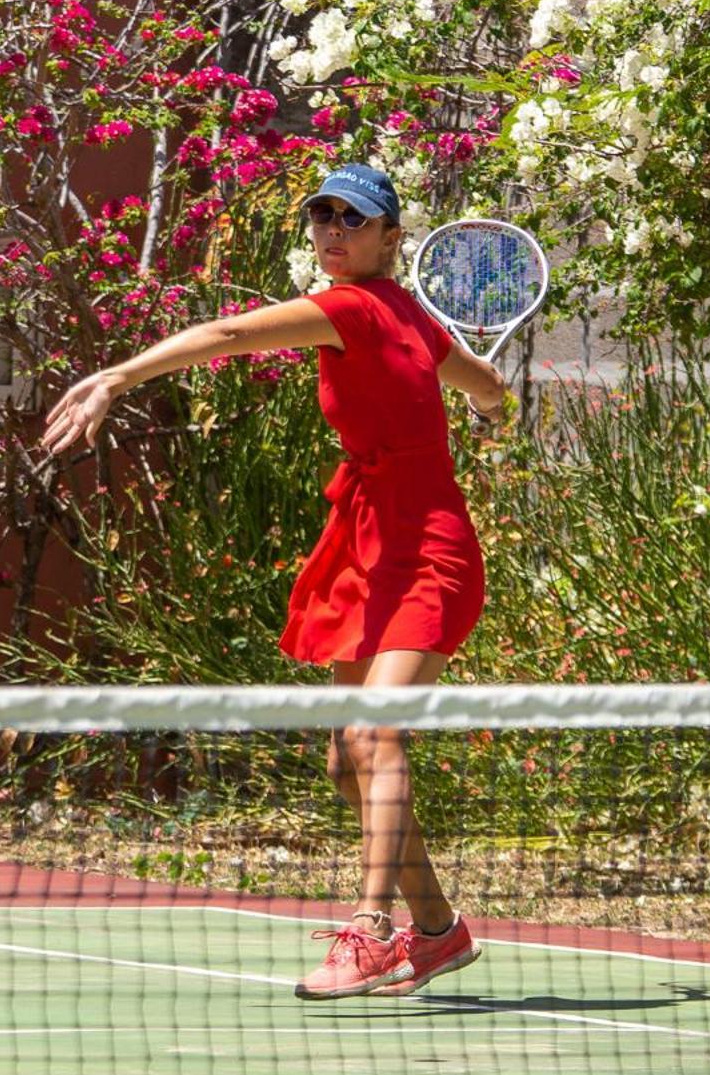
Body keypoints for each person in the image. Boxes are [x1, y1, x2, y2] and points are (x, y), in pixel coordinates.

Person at [39, 163, 504, 999]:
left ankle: (371, 929)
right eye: (321, 216)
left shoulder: (361, 308)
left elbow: (226, 336)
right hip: (367, 543)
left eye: (351, 220)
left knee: (375, 737)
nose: (331, 231)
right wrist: (496, 409)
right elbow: (488, 385)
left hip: (431, 551)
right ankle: (438, 931)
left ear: (390, 239)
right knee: (344, 757)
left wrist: (118, 375)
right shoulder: (415, 320)